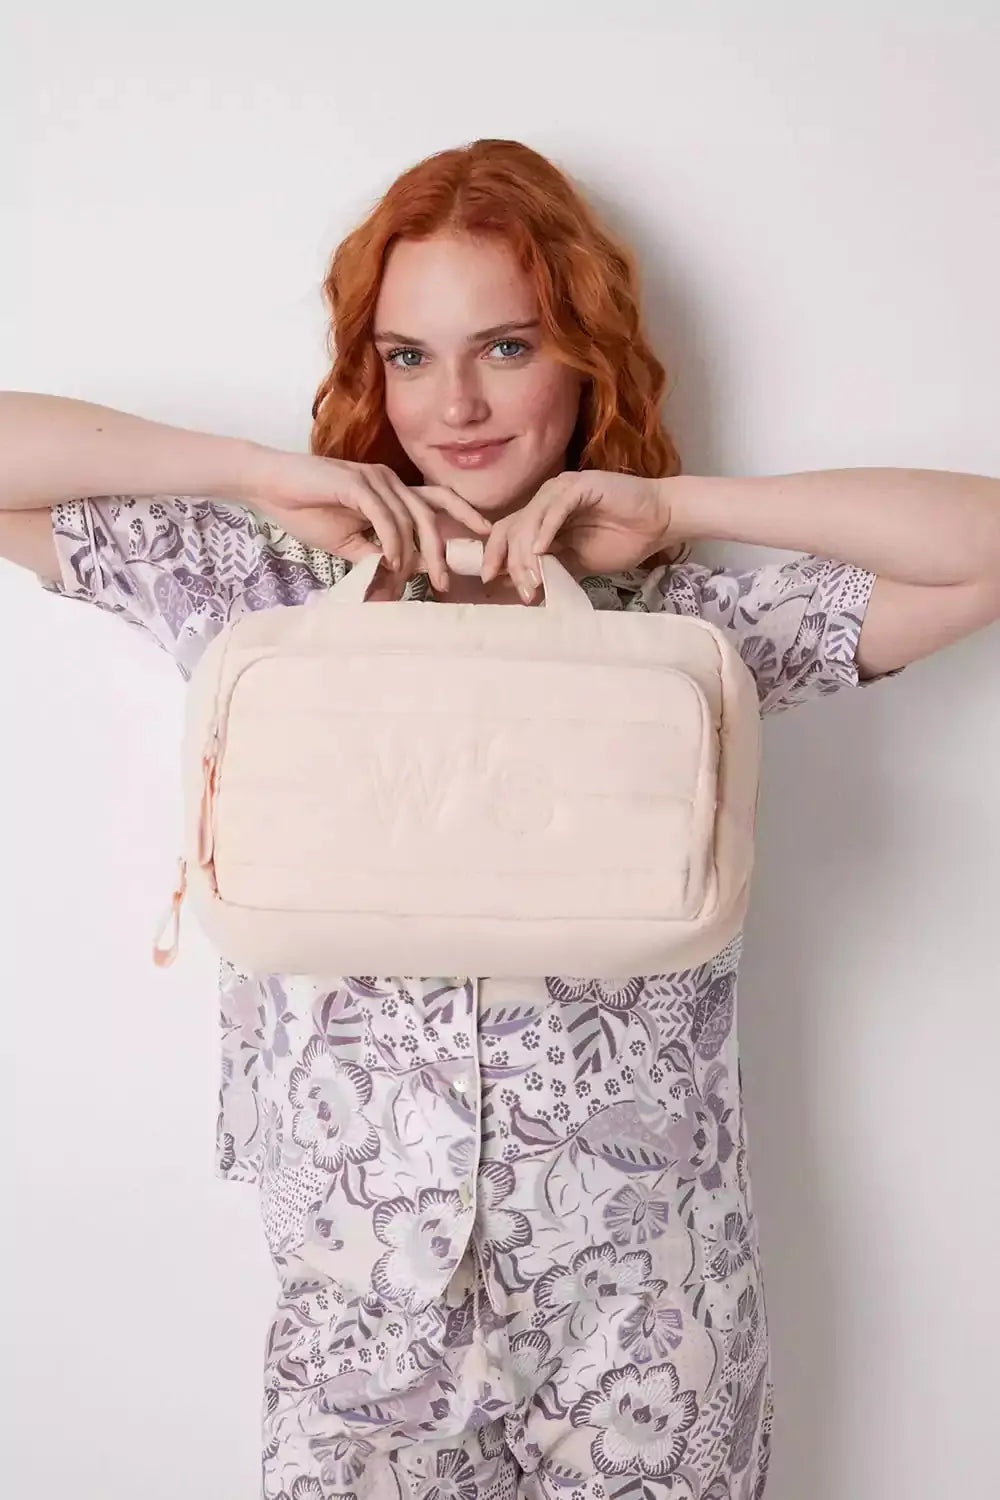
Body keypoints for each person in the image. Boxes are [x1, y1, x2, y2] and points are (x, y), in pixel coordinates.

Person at [2, 138, 998, 1500]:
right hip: (361, 1328)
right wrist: (248, 471)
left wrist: (674, 508)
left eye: (507, 347)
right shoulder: (266, 600)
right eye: (408, 356)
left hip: (644, 1322)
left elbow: (983, 548)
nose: (455, 404)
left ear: (584, 356)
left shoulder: (680, 635)